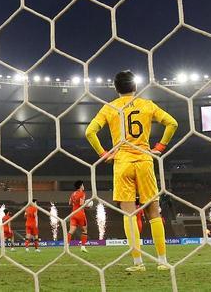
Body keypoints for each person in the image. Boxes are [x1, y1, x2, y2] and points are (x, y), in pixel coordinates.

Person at [85, 70, 178, 272]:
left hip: (122, 162)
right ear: (135, 87)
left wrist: (104, 154)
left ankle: (138, 263)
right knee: (153, 212)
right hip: (144, 160)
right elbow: (172, 123)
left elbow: (89, 132)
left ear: (115, 88)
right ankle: (162, 261)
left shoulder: (109, 107)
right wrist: (160, 147)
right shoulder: (147, 105)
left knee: (129, 215)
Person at [68, 180, 89, 253]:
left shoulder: (73, 194)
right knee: (84, 230)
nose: (83, 186)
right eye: (82, 185)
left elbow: (70, 203)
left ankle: (66, 246)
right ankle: (83, 247)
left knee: (71, 231)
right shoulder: (82, 193)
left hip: (73, 213)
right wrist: (87, 205)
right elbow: (81, 204)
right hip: (80, 213)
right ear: (80, 186)